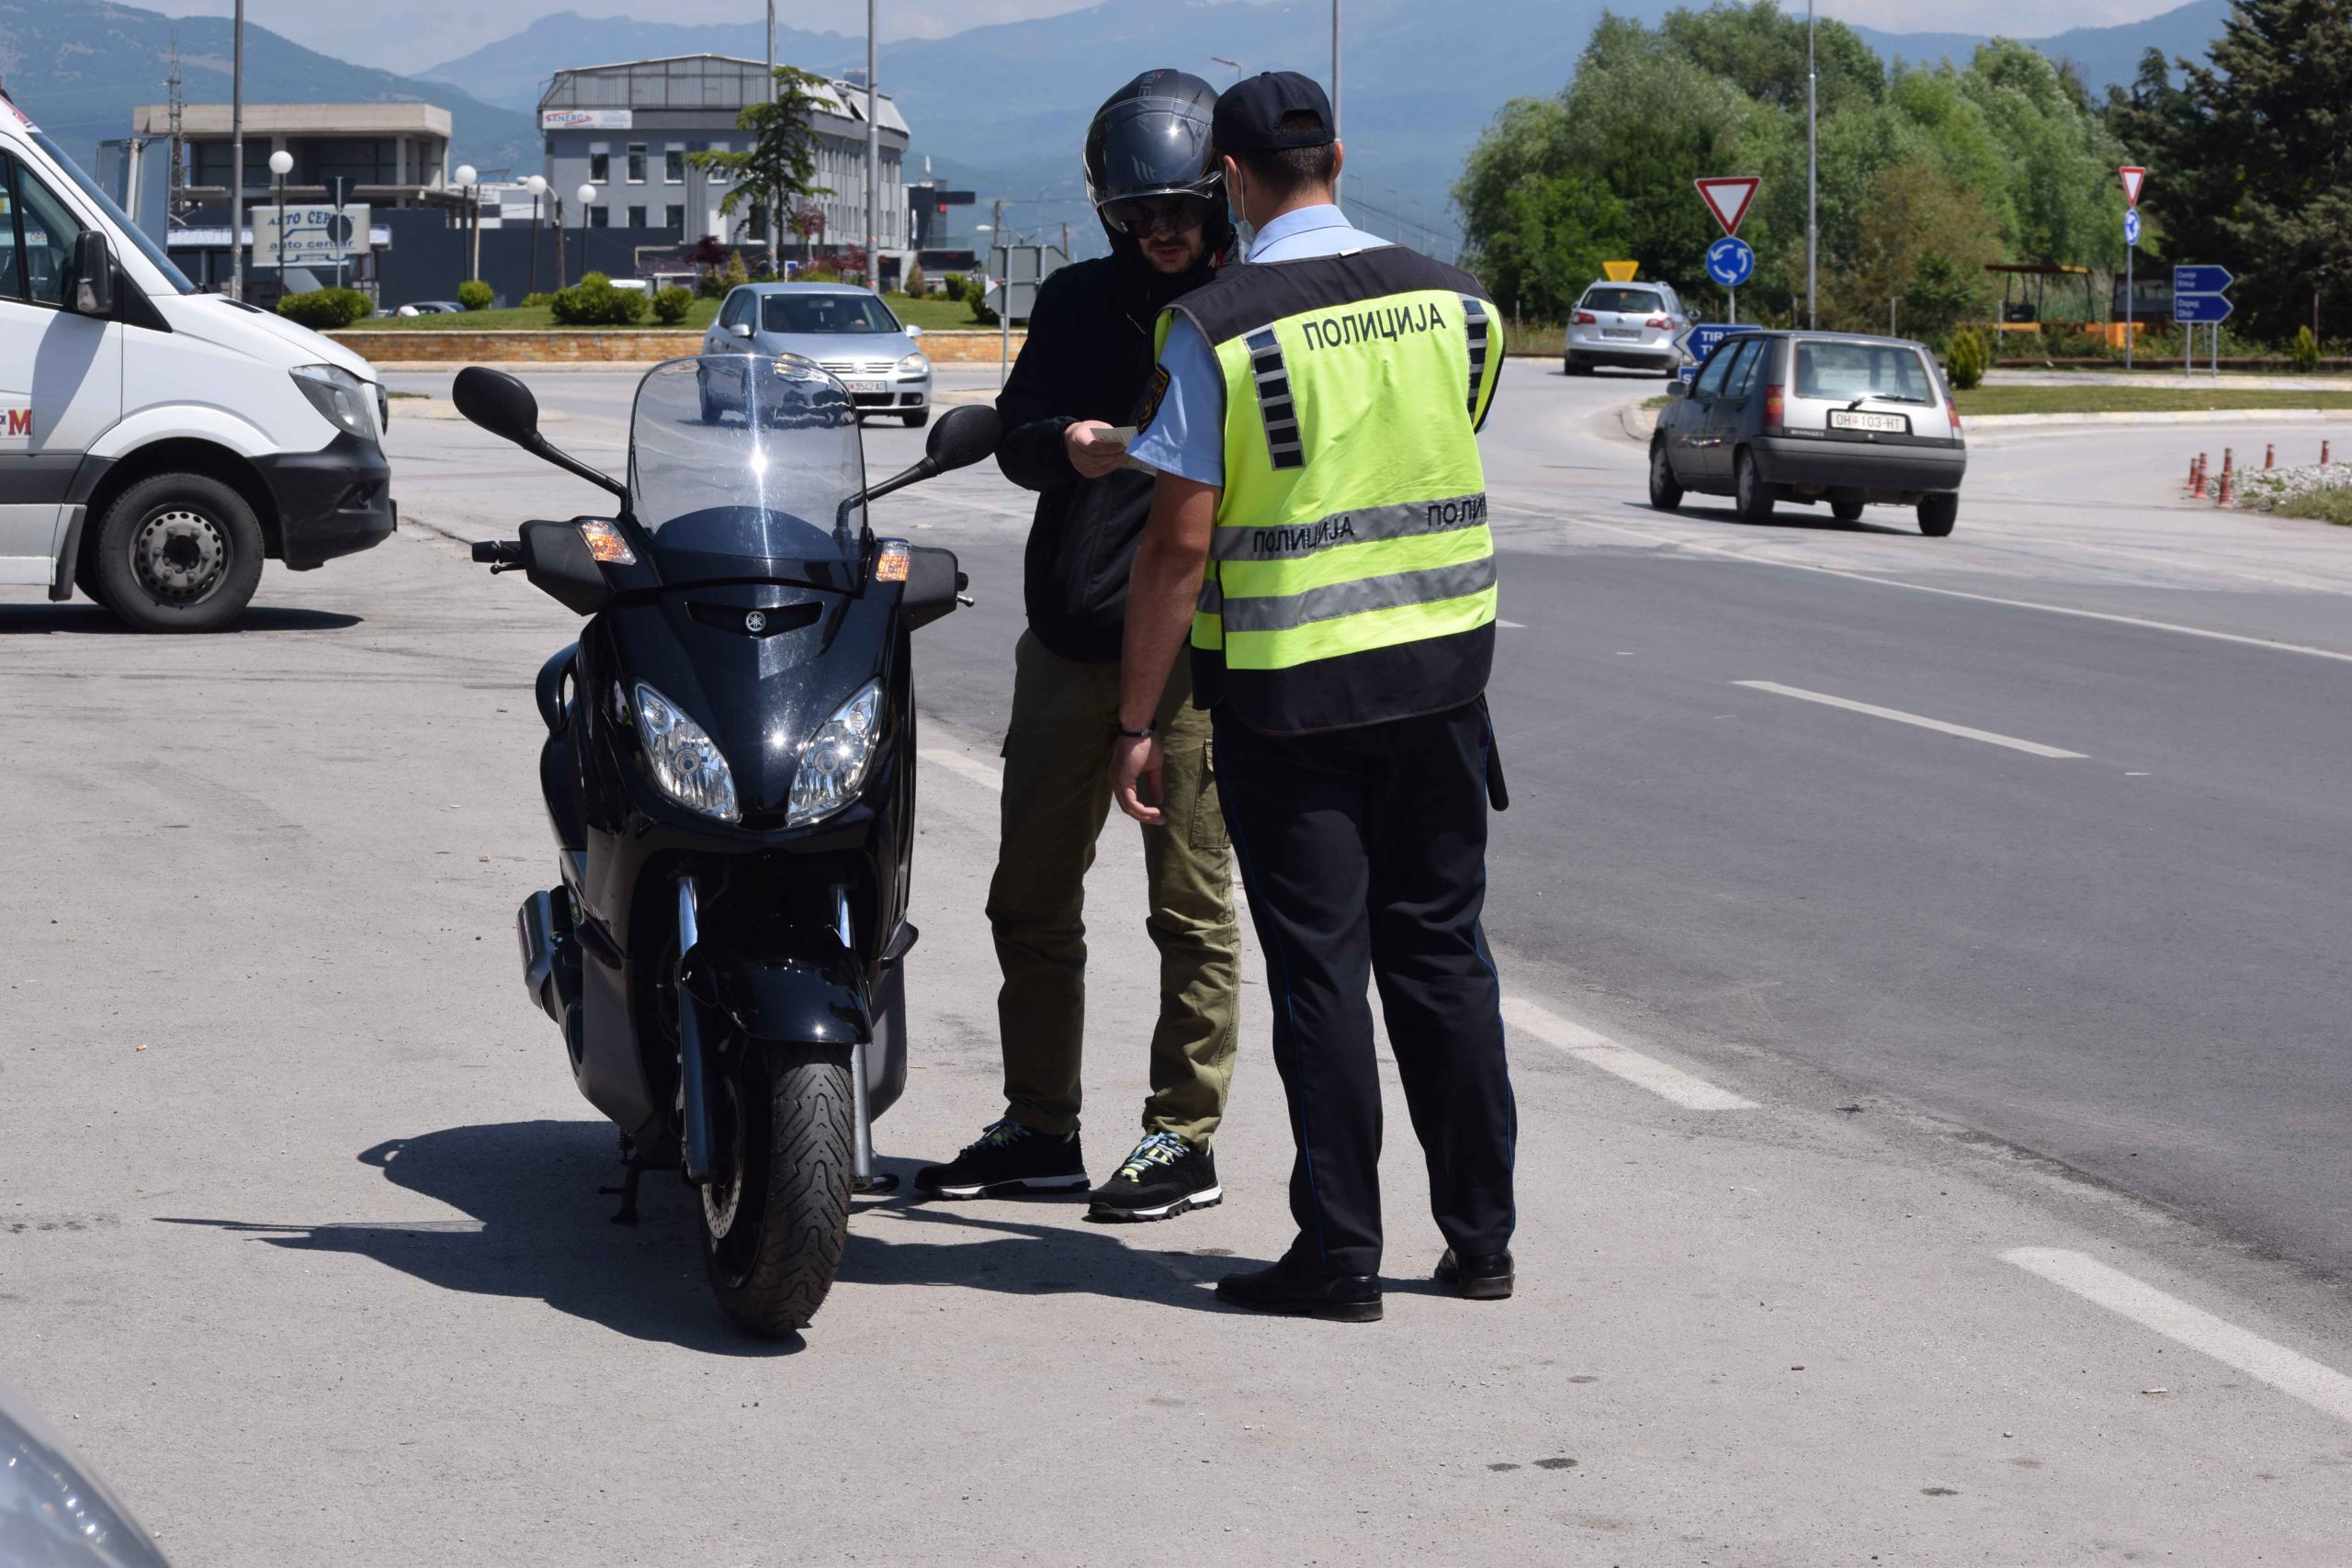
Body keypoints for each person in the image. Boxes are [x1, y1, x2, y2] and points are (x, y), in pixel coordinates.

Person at [1111, 72, 1515, 1321]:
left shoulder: (1219, 328)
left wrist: (1135, 724)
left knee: (1325, 976)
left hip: (1293, 698)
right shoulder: (1460, 305)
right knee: (1443, 957)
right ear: (1338, 154)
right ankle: (1482, 1240)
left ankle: (1341, 1254)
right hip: (1445, 685)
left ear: (1229, 178)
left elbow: (1179, 545)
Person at [914, 71, 1244, 1224]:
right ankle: (1040, 1124)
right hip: (1065, 644)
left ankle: (1180, 1137)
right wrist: (1070, 440)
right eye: (1141, 214)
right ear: (1111, 213)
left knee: (1189, 908)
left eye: (1182, 210)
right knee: (1029, 898)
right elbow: (1012, 438)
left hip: (1199, 658)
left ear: (1222, 199)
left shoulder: (1249, 308)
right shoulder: (1072, 304)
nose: (1163, 231)